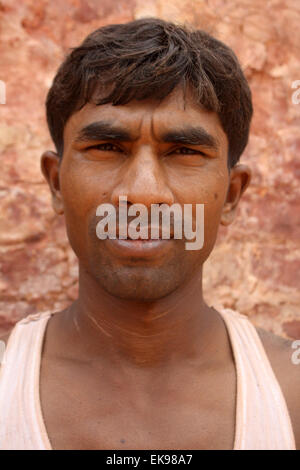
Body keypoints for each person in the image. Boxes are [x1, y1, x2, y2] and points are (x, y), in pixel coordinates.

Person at [0, 17, 299, 450]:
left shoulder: (290, 395)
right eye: (107, 147)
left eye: (183, 151)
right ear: (56, 183)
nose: (142, 195)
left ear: (232, 195)